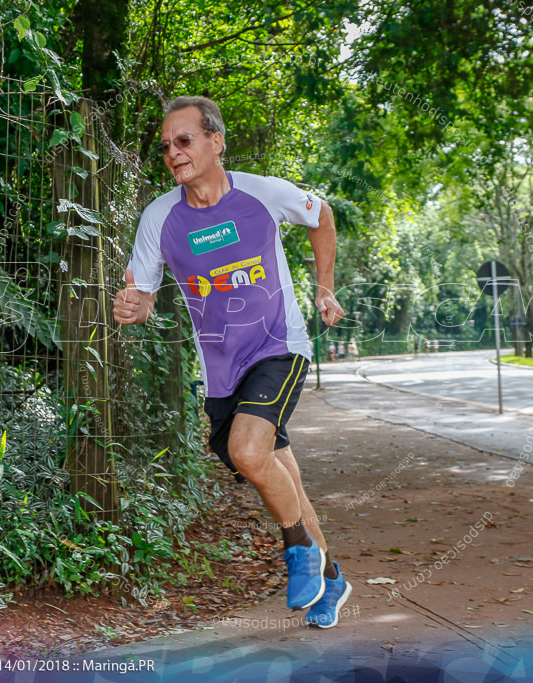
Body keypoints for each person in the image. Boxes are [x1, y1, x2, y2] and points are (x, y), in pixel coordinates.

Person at [112, 96, 351, 628]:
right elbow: (142, 291)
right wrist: (134, 306)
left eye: (185, 140)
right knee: (278, 477)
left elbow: (322, 215)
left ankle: (298, 552)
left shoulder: (262, 193)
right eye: (167, 146)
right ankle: (331, 576)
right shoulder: (160, 217)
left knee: (247, 451)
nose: (173, 153)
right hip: (220, 370)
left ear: (216, 141)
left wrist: (325, 287)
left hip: (278, 345)